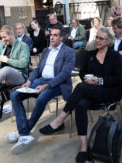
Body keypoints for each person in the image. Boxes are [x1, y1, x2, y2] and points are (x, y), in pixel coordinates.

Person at [39, 27, 122, 163]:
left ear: (109, 41)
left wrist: (100, 80)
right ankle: (84, 147)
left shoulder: (114, 56)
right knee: (80, 104)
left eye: (101, 38)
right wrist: (88, 79)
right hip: (90, 89)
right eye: (96, 37)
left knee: (80, 87)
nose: (97, 40)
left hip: (110, 92)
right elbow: (81, 72)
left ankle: (60, 119)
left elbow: (120, 78)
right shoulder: (90, 54)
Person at [6, 25, 75, 154]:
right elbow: (37, 70)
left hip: (57, 84)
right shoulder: (46, 50)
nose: (51, 37)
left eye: (55, 35)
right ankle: (24, 133)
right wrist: (29, 81)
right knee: (15, 95)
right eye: (51, 34)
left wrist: (47, 86)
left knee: (41, 99)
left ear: (62, 38)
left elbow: (64, 74)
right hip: (41, 80)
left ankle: (23, 132)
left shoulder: (69, 52)